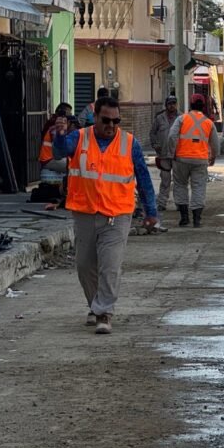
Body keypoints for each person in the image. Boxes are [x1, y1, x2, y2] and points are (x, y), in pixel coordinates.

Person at [53, 94, 158, 334]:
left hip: (117, 214)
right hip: (85, 212)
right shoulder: (79, 137)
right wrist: (59, 134)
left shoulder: (129, 143)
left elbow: (143, 179)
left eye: (116, 121)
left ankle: (104, 313)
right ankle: (95, 305)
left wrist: (151, 212)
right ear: (95, 117)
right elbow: (59, 152)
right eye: (106, 120)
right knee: (84, 266)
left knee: (109, 266)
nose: (111, 125)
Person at [166, 93, 220, 228]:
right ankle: (197, 219)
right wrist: (213, 157)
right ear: (203, 106)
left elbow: (172, 136)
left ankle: (184, 217)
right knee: (199, 187)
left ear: (190, 104)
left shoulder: (181, 119)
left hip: (181, 159)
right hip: (200, 160)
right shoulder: (208, 123)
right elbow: (215, 144)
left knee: (180, 185)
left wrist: (172, 153)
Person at [149, 95, 180, 211]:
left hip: (177, 155)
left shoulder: (181, 118)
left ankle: (180, 203)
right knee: (165, 180)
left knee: (178, 181)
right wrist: (155, 144)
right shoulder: (159, 118)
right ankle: (162, 203)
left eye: (174, 103)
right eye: (170, 104)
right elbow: (152, 133)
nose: (172, 106)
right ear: (166, 105)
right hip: (163, 154)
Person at [39, 102, 73, 175]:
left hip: (51, 157)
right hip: (49, 159)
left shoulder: (53, 122)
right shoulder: (55, 125)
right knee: (73, 166)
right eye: (68, 113)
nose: (70, 115)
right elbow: (59, 145)